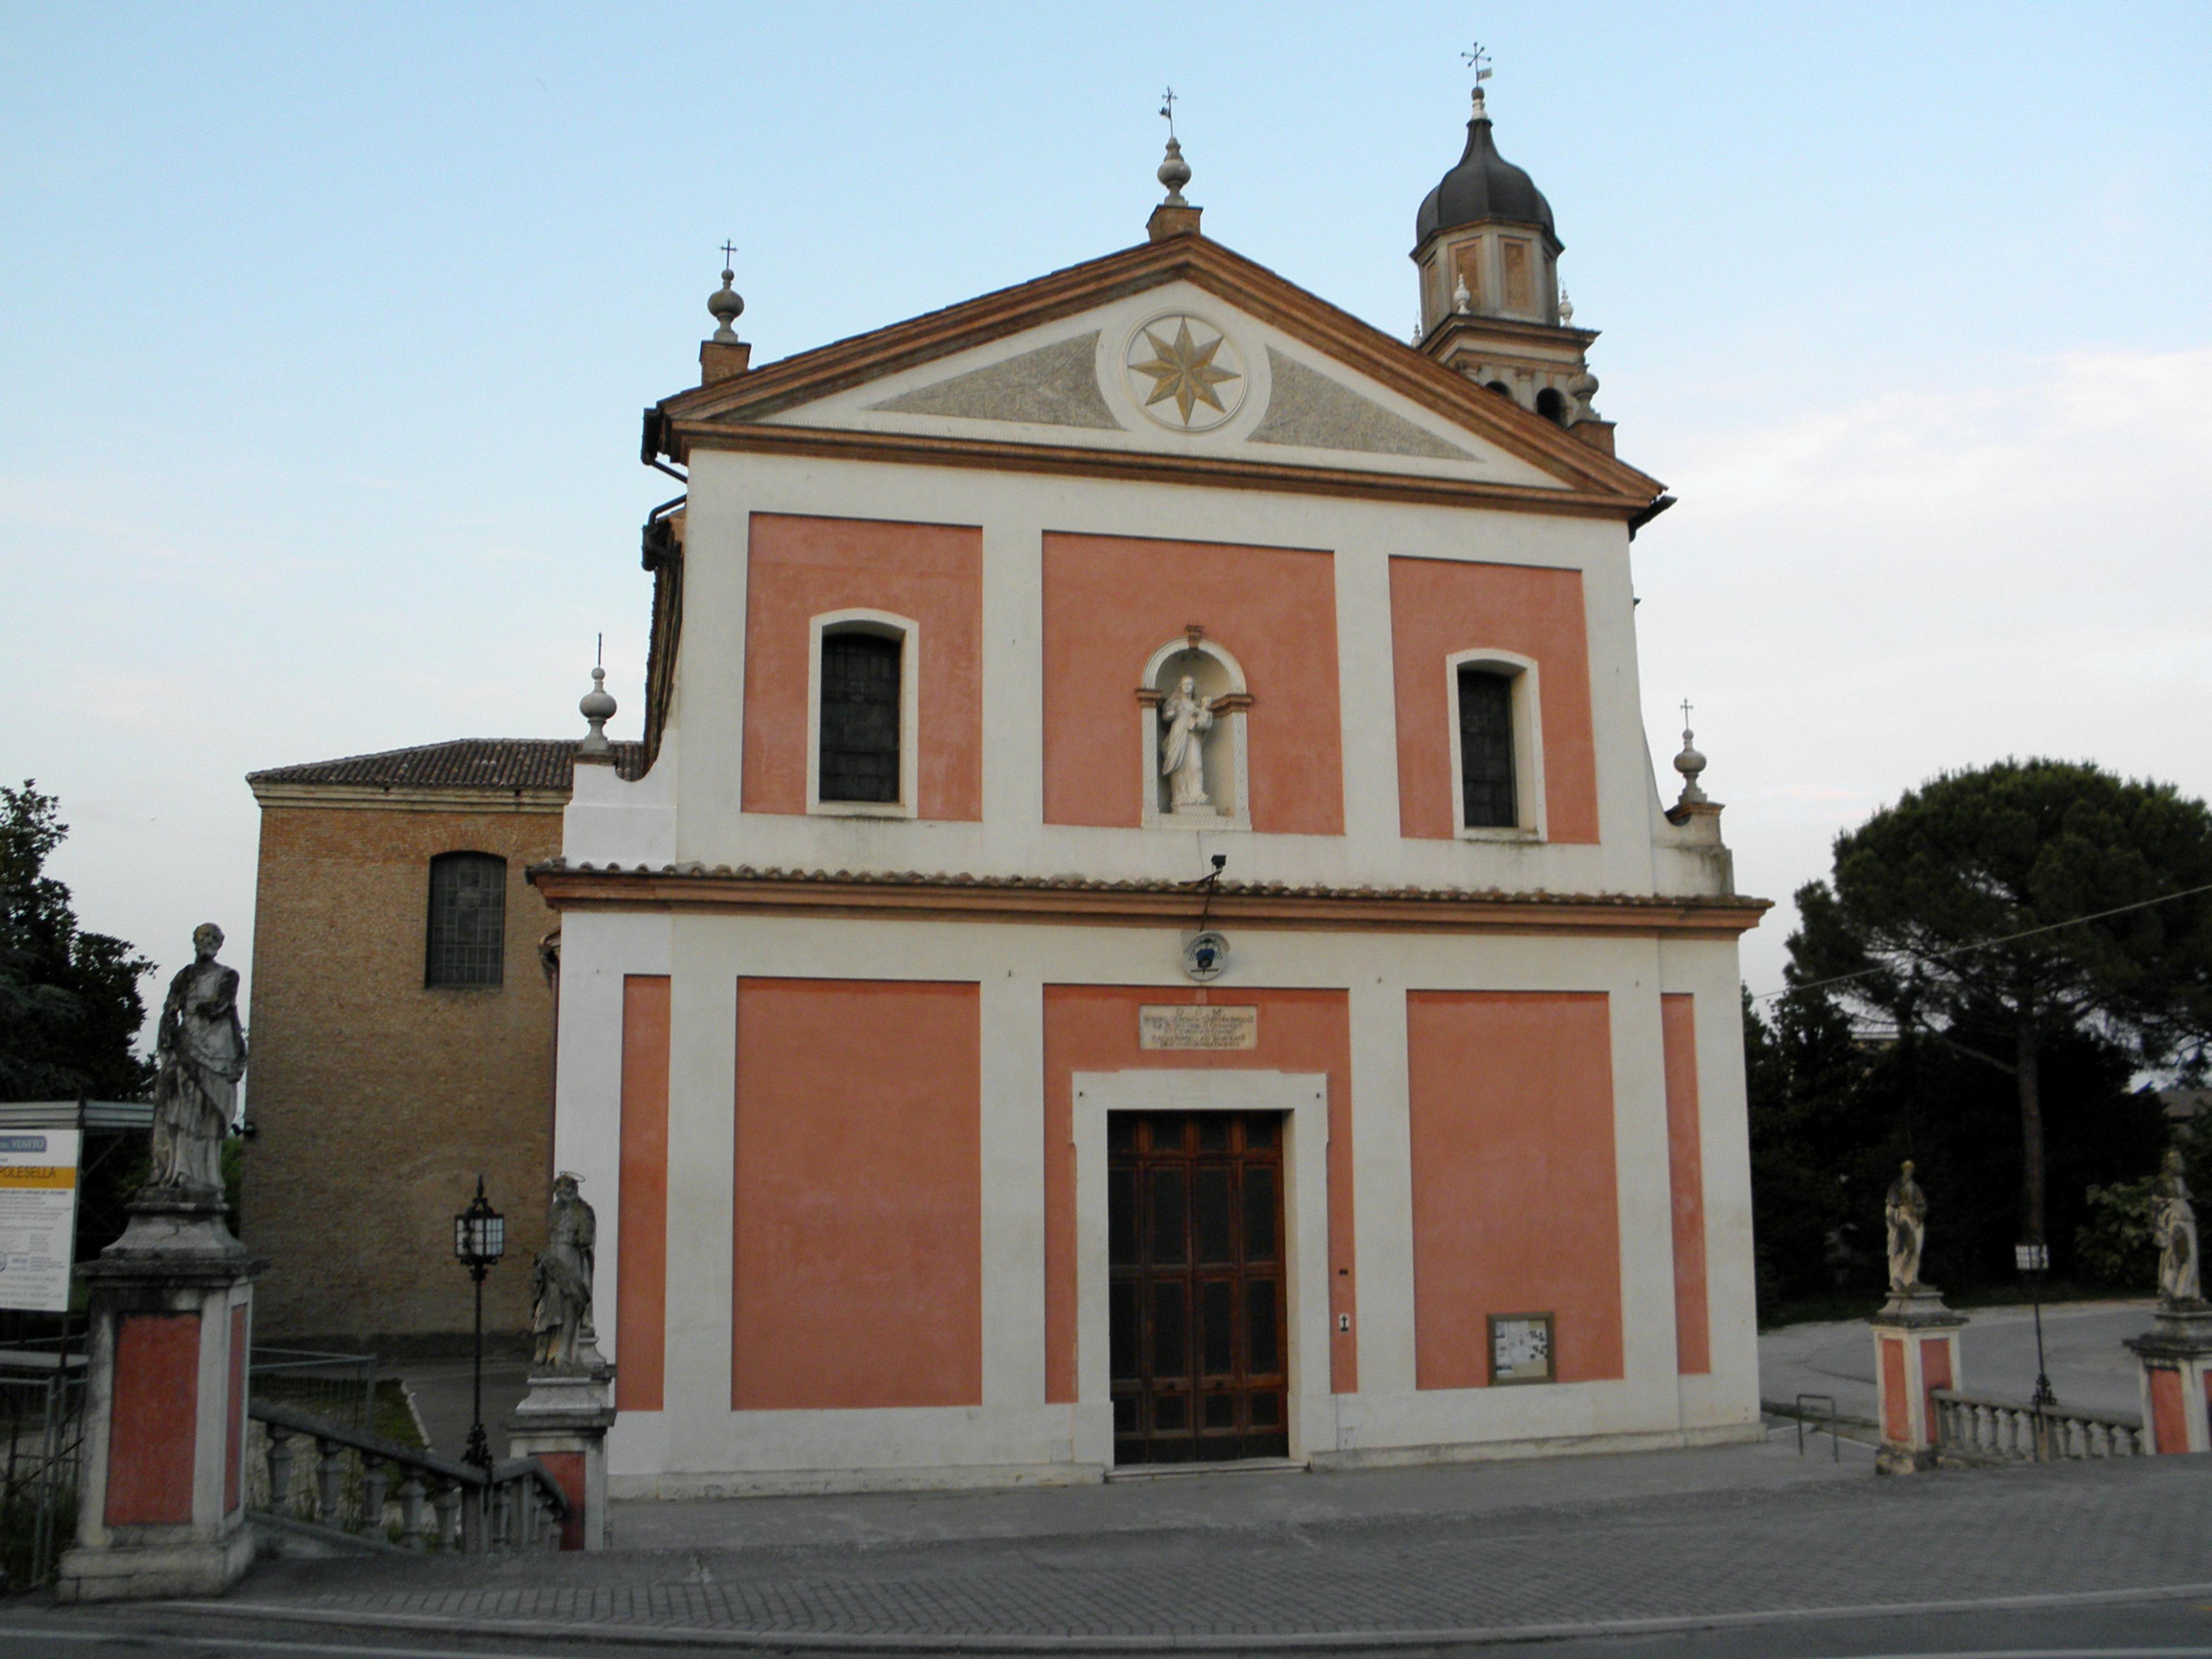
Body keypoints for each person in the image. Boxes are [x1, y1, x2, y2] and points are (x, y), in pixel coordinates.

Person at [149, 923, 245, 1195]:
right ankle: (179, 1170)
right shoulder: (185, 976)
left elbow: (220, 1007)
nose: (209, 941)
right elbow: (169, 1011)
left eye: (214, 938)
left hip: (218, 1051)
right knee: (182, 1107)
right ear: (195, 941)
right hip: (188, 1047)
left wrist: (200, 1006)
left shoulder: (228, 976)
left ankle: (206, 1176)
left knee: (209, 1114)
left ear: (220, 944)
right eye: (204, 937)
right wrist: (167, 1046)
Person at [531, 1172, 598, 1368]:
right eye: (560, 1190)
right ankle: (548, 1349)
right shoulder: (555, 1210)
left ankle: (565, 1353)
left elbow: (586, 1239)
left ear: (574, 1189)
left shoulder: (584, 1211)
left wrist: (574, 1239)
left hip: (572, 1260)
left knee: (571, 1304)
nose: (563, 1193)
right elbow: (551, 1234)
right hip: (554, 1262)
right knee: (551, 1305)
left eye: (567, 1189)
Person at [1160, 675, 1215, 809]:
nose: (1187, 687)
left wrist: (1198, 720)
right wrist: (1170, 713)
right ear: (1181, 686)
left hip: (1192, 736)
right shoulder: (1176, 702)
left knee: (1195, 765)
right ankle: (1180, 797)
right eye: (1185, 684)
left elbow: (1204, 720)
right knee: (1179, 766)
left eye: (1190, 684)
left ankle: (1197, 794)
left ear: (1193, 687)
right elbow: (1166, 717)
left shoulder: (1195, 705)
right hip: (1178, 733)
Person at [1884, 1160, 1927, 1293]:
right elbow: (1891, 1205)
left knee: (1916, 1251)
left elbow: (1922, 1204)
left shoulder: (1915, 1187)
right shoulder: (1897, 1186)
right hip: (1903, 1219)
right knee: (1907, 1248)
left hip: (1915, 1219)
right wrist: (1894, 1222)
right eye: (1907, 1169)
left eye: (1911, 1170)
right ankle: (1898, 1277)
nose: (1909, 1172)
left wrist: (1919, 1213)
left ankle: (1911, 1278)